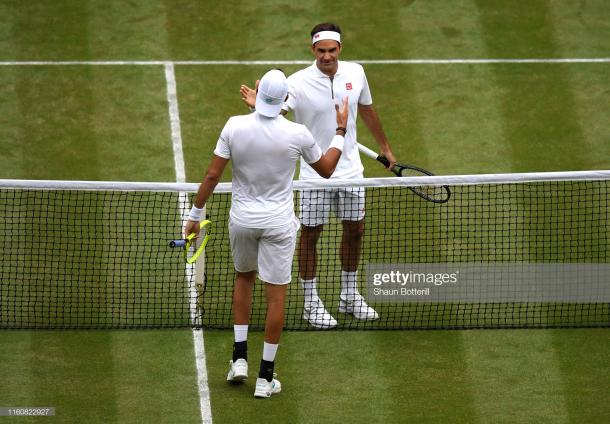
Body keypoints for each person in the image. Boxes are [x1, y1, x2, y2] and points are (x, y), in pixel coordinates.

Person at [185, 69, 349, 397]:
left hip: (242, 221)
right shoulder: (298, 133)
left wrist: (195, 214)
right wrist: (341, 129)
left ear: (258, 97)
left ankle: (240, 359)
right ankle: (265, 378)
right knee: (276, 297)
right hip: (278, 224)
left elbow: (212, 175)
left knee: (244, 279)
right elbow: (327, 169)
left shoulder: (234, 126)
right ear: (285, 100)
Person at [240, 23, 396, 329]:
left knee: (355, 231)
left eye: (332, 50)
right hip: (314, 174)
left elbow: (367, 109)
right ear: (313, 50)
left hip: (352, 172)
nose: (327, 56)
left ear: (340, 49)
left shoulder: (356, 73)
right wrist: (259, 105)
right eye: (321, 51)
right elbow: (276, 116)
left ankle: (349, 296)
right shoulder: (296, 83)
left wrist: (385, 147)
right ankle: (311, 303)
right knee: (311, 235)